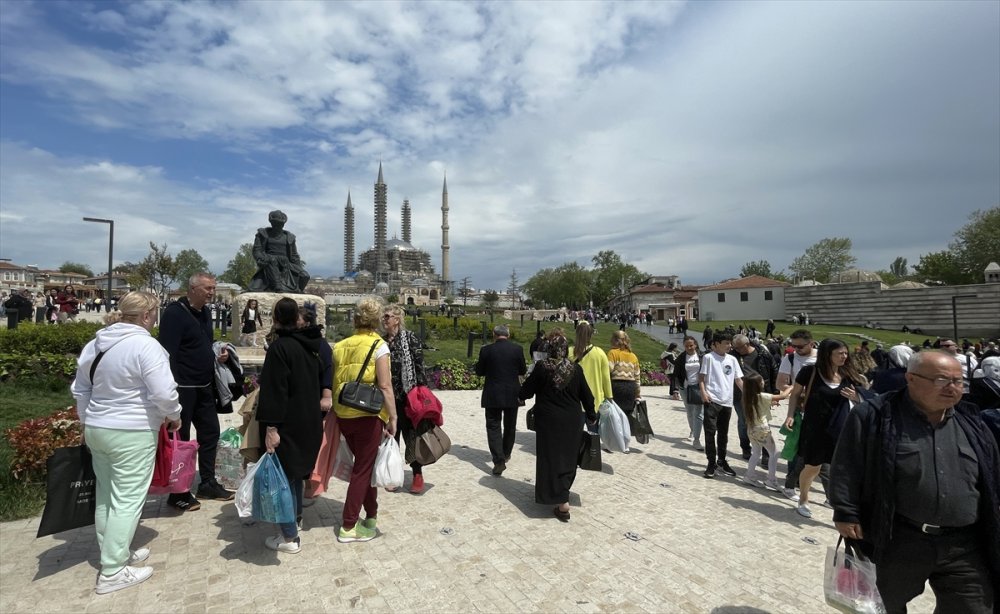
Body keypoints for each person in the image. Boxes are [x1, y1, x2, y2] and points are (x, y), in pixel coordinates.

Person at [830, 351, 1000, 613]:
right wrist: (846, 510)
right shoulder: (875, 416)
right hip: (900, 540)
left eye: (958, 381)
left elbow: (992, 474)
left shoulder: (973, 422)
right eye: (943, 380)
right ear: (911, 378)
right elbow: (847, 464)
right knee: (881, 606)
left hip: (964, 545)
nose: (953, 388)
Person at [71, 292, 182, 594]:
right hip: (131, 431)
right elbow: (163, 392)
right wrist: (174, 415)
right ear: (147, 315)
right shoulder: (146, 345)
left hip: (98, 427)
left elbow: (80, 388)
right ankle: (112, 571)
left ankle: (115, 553)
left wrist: (86, 419)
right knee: (128, 501)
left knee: (107, 495)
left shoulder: (95, 344)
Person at [158, 272, 234, 511]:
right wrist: (171, 388)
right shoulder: (174, 314)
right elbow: (167, 353)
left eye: (213, 288)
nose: (212, 292)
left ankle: (208, 482)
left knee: (211, 433)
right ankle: (177, 491)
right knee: (180, 441)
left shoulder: (205, 312)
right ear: (192, 289)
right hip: (182, 388)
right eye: (207, 288)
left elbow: (200, 344)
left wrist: (218, 353)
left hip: (204, 386)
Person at [256, 297, 324, 554]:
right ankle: (294, 519)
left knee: (281, 479)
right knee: (295, 475)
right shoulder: (310, 344)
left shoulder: (280, 348)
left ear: (274, 318)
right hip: (308, 421)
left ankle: (288, 537)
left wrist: (271, 428)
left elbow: (275, 391)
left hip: (288, 423)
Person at [332, 296, 398, 543]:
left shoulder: (340, 346)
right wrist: (393, 416)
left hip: (345, 413)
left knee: (364, 465)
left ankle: (371, 514)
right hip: (368, 414)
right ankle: (348, 526)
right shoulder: (379, 346)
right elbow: (385, 384)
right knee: (362, 470)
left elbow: (336, 381)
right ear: (377, 320)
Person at [783, 338, 867, 518]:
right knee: (812, 467)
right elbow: (796, 394)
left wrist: (856, 397)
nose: (844, 356)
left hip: (841, 429)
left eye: (846, 353)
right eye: (840, 353)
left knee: (840, 469)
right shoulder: (810, 372)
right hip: (815, 428)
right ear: (828, 355)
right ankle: (803, 499)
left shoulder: (848, 374)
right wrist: (790, 415)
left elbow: (865, 397)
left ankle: (838, 502)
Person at [518, 329, 597, 522]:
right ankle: (563, 497)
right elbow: (587, 396)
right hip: (571, 421)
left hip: (548, 421)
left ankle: (559, 499)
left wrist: (520, 394)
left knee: (549, 458)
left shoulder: (542, 368)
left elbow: (526, 392)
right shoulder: (575, 369)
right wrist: (592, 416)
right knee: (568, 458)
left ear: (548, 349)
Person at [381, 304, 430, 493]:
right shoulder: (381, 341)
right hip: (388, 396)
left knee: (412, 435)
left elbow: (419, 364)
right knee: (391, 436)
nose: (385, 320)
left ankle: (417, 474)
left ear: (397, 319)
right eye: (384, 317)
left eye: (388, 316)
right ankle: (393, 473)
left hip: (408, 395)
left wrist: (422, 391)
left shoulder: (410, 338)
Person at [475, 324, 527, 476]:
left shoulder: (486, 350)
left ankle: (498, 460)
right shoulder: (517, 349)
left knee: (493, 426)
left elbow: (480, 371)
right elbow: (522, 370)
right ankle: (506, 453)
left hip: (493, 392)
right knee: (510, 425)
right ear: (508, 335)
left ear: (494, 334)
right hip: (512, 392)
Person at [699, 332, 744, 478]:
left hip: (727, 401)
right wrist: (704, 393)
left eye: (730, 343)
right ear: (716, 344)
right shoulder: (708, 358)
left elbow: (738, 380)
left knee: (723, 434)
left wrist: (749, 395)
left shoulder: (732, 359)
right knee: (710, 432)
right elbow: (701, 378)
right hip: (712, 400)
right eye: (726, 343)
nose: (729, 346)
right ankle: (711, 462)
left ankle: (722, 461)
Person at [731, 334, 777, 460]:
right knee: (744, 421)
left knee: (763, 421)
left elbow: (773, 371)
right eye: (735, 348)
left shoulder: (762, 354)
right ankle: (746, 447)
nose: (736, 350)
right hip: (740, 394)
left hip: (760, 393)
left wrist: (774, 392)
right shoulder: (733, 356)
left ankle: (766, 453)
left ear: (747, 344)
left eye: (739, 348)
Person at [740, 372, 790, 490]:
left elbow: (759, 405)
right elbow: (782, 396)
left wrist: (771, 403)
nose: (763, 382)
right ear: (757, 385)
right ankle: (771, 480)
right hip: (762, 429)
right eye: (761, 380)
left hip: (752, 429)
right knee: (775, 453)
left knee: (756, 453)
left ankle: (749, 476)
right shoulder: (761, 395)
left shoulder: (747, 396)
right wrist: (791, 387)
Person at [247, 210, 310, 293]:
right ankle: (277, 286)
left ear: (283, 224)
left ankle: (297, 291)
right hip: (269, 260)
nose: (277, 226)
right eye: (275, 223)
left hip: (285, 263)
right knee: (272, 261)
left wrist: (298, 267)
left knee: (305, 275)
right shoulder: (263, 234)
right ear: (272, 223)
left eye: (280, 224)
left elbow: (294, 255)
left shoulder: (289, 237)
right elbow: (257, 250)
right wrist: (261, 259)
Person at [571, 322, 613, 430]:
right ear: (591, 335)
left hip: (574, 400)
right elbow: (606, 378)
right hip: (595, 400)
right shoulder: (599, 353)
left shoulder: (570, 352)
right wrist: (609, 396)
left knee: (575, 434)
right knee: (594, 434)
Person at [671, 336, 705, 451]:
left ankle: (697, 439)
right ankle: (692, 430)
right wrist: (675, 390)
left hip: (699, 387)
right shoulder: (681, 358)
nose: (689, 348)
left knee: (699, 414)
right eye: (686, 346)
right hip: (685, 387)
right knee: (690, 411)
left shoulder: (702, 356)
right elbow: (675, 375)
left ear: (695, 345)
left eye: (691, 345)